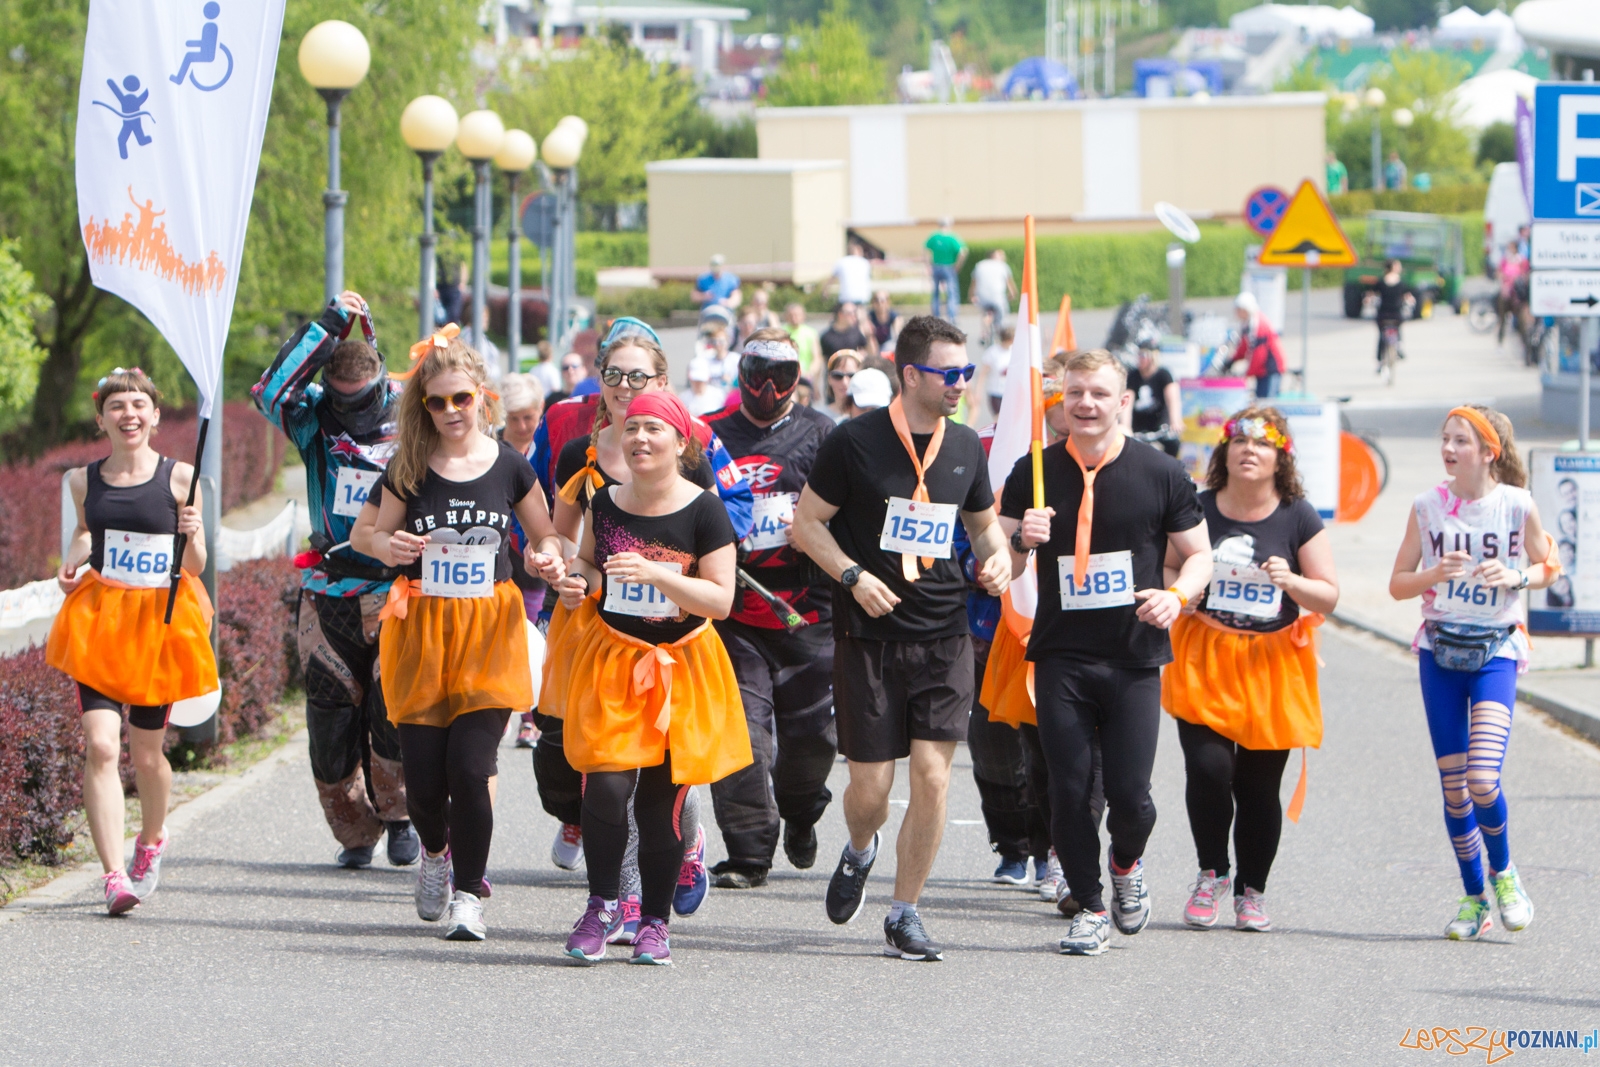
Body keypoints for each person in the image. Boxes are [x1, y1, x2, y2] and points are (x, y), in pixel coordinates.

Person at [793, 315, 1011, 962]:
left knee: (934, 777)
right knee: (870, 792)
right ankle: (861, 848)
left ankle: (904, 911)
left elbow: (984, 526)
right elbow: (808, 524)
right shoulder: (854, 442)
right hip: (869, 635)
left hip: (944, 633)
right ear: (911, 374)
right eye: (950, 373)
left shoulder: (965, 444)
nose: (962, 383)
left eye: (967, 372)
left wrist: (997, 559)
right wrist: (852, 576)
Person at [350, 332, 565, 942]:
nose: (450, 411)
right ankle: (436, 853)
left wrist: (548, 557)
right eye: (437, 402)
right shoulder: (409, 468)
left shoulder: (510, 465)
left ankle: (468, 896)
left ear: (482, 397)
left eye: (461, 399)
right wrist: (387, 546)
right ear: (423, 406)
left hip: (489, 630)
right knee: (424, 782)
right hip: (422, 631)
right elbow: (365, 533)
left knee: (472, 769)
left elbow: (546, 534)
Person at [999, 348, 1212, 957]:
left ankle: (1125, 864)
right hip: (1061, 654)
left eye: (1098, 394)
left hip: (1133, 655)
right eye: (1074, 394)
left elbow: (1200, 555)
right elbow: (1000, 567)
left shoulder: (1161, 472)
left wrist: (1176, 595)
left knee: (1132, 798)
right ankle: (1090, 908)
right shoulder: (1034, 471)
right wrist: (1021, 541)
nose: (1085, 404)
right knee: (1067, 792)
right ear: (1061, 400)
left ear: (1123, 401)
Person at [543, 320, 751, 930]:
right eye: (613, 374)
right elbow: (576, 549)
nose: (624, 387)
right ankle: (610, 903)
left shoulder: (700, 484)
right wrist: (567, 572)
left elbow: (718, 585)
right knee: (605, 783)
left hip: (678, 653)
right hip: (608, 642)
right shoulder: (590, 477)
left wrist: (660, 572)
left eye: (638, 377)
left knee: (661, 795)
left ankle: (658, 900)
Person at [253, 292, 418, 869]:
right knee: (329, 719)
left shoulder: (412, 413)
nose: (349, 410)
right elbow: (269, 392)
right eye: (340, 399)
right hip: (330, 590)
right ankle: (354, 831)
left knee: (392, 710)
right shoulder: (314, 418)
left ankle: (401, 818)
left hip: (399, 589)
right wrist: (325, 326)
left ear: (380, 382)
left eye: (361, 400)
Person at [1161, 407, 1339, 933]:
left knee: (1259, 788)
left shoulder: (1298, 515)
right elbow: (1168, 564)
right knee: (1209, 770)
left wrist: (1292, 583)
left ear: (1280, 456)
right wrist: (1182, 593)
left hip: (1272, 664)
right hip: (1205, 654)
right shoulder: (1198, 509)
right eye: (1239, 441)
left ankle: (1251, 890)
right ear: (1225, 451)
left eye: (1262, 443)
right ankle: (1211, 873)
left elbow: (1328, 594)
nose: (1249, 450)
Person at [47, 368, 218, 915]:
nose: (129, 414)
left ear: (155, 416)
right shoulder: (82, 480)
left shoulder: (180, 477)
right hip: (100, 622)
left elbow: (196, 565)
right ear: (101, 419)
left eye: (139, 404)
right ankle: (113, 875)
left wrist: (192, 533)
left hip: (157, 627)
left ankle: (151, 839)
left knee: (146, 754)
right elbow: (84, 532)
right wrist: (71, 561)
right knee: (101, 745)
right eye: (117, 406)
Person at [1387, 405, 1557, 941]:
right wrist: (1433, 573)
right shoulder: (1426, 507)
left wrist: (1516, 576)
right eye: (1445, 438)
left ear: (1489, 453)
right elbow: (1397, 583)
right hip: (1439, 652)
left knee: (1482, 779)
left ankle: (1504, 874)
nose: (1449, 448)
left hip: (1496, 650)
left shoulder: (1516, 505)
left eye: (1461, 440)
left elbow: (1549, 566)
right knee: (1455, 788)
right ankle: (1473, 898)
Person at [704, 331, 840, 888]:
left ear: (797, 378)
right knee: (742, 735)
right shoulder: (708, 436)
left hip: (809, 610)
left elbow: (853, 510)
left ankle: (802, 811)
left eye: (780, 375)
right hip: (735, 609)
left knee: (812, 741)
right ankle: (748, 852)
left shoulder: (824, 434)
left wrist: (814, 530)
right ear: (740, 374)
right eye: (757, 373)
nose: (767, 387)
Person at [500, 373, 548, 749]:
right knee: (499, 635)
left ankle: (529, 719)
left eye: (528, 417)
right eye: (513, 418)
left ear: (540, 412)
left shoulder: (547, 446)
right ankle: (496, 711)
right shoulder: (489, 447)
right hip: (498, 554)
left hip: (534, 554)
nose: (521, 426)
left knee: (529, 634)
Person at [1123, 342, 1184, 457]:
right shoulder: (1133, 376)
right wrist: (1125, 426)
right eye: (1138, 355)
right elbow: (1127, 401)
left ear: (1153, 357)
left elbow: (1173, 400)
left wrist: (1175, 421)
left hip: (1160, 428)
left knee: (1173, 445)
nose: (1139, 359)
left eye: (1143, 355)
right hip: (1139, 429)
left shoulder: (1164, 375)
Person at [1230, 292, 1287, 399]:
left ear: (1245, 309)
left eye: (1238, 310)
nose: (1236, 313)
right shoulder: (1247, 322)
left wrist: (1247, 374)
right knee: (1260, 398)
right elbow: (1244, 345)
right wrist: (1233, 360)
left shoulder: (1258, 324)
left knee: (1266, 401)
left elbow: (1259, 354)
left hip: (1271, 368)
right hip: (1262, 369)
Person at [969, 249, 1017, 345]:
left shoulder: (979, 265)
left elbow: (974, 282)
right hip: (997, 297)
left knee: (986, 314)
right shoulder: (1002, 266)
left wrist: (971, 295)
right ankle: (1001, 335)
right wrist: (1012, 295)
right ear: (994, 256)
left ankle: (985, 332)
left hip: (983, 297)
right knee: (1001, 317)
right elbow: (1010, 285)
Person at [925, 218, 967, 323]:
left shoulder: (934, 236)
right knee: (952, 293)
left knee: (935, 293)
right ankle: (952, 316)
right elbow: (963, 252)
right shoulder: (952, 237)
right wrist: (958, 265)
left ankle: (936, 316)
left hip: (936, 266)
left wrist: (928, 265)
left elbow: (926, 251)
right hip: (949, 267)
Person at [1376, 259, 1411, 371]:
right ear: (1394, 267)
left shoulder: (1381, 281)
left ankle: (1380, 360)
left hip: (1383, 314)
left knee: (1381, 335)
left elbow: (1372, 294)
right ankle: (1399, 346)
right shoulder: (1401, 283)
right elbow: (1408, 296)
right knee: (1398, 328)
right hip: (1396, 313)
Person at [980, 324, 1015, 422]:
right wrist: (979, 391)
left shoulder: (1014, 351)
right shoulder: (993, 352)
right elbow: (983, 374)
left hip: (1010, 392)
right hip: (996, 392)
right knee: (999, 420)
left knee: (1011, 420)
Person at [1497, 242, 1529, 347]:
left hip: (1518, 295)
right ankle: (1500, 343)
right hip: (1506, 293)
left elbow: (1525, 275)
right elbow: (1499, 273)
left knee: (1522, 322)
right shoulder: (1505, 260)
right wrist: (1504, 278)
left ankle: (1525, 346)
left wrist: (1517, 279)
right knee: (1502, 319)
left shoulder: (1521, 261)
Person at [785, 302, 822, 381]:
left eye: (797, 315)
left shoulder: (811, 333)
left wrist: (810, 373)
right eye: (791, 315)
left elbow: (816, 357)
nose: (794, 318)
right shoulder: (781, 332)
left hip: (805, 376)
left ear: (803, 316)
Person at [830, 240, 873, 307]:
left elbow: (832, 278)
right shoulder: (865, 263)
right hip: (862, 299)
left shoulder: (841, 261)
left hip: (846, 299)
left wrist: (824, 291)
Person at [824, 350, 862, 422]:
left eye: (851, 375)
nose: (845, 382)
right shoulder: (820, 417)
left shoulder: (868, 415)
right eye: (838, 376)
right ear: (829, 379)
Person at [866, 290, 901, 357]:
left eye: (882, 300)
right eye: (876, 300)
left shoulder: (893, 316)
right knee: (870, 339)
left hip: (888, 345)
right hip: (874, 346)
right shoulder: (869, 317)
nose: (879, 303)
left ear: (888, 302)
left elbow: (897, 333)